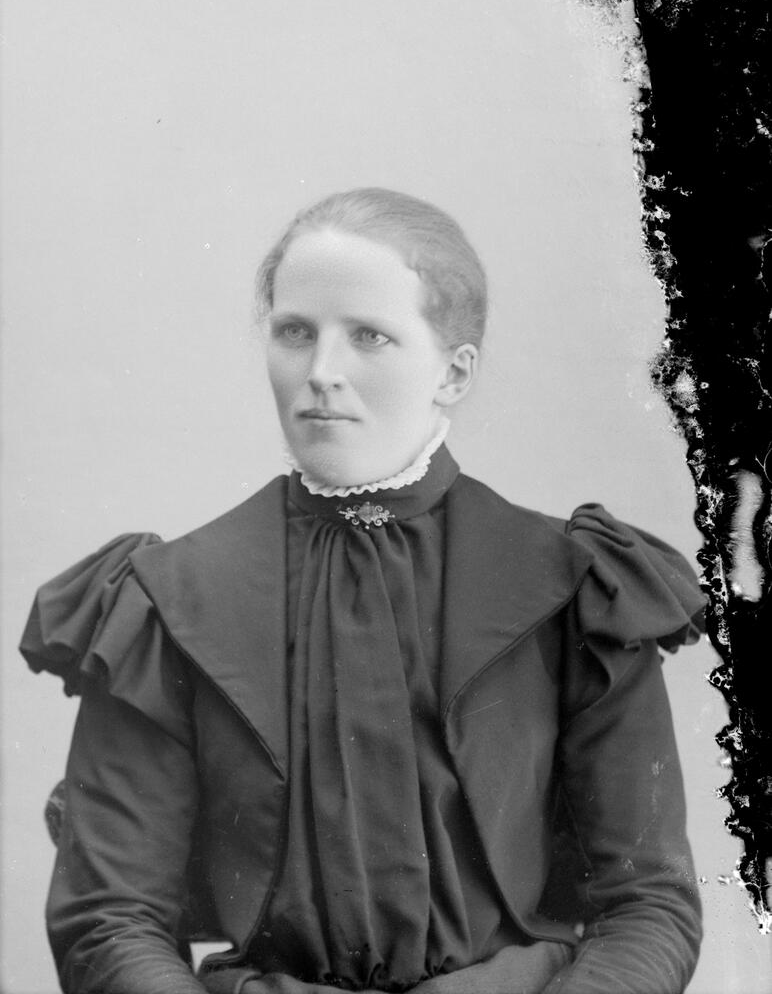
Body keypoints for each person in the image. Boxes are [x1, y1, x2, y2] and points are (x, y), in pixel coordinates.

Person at [20, 188, 706, 994]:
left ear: (454, 372)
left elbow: (649, 905)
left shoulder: (573, 586)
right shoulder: (170, 598)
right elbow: (108, 919)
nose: (321, 374)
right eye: (295, 332)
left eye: (369, 336)